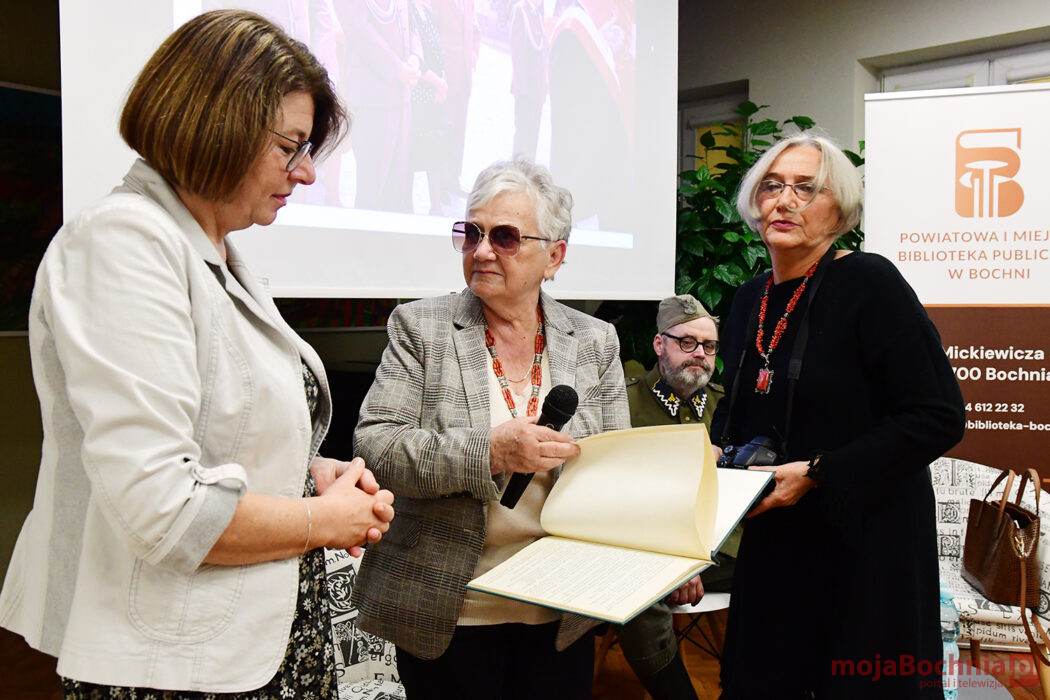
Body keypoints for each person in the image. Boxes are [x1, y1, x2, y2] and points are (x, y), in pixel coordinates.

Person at [0, 11, 395, 697]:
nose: (305, 173)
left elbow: (216, 435)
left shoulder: (215, 253)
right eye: (290, 147)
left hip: (248, 639)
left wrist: (306, 473)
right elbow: (164, 506)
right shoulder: (123, 244)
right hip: (173, 661)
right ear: (215, 125)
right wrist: (321, 520)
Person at [351, 158, 629, 699]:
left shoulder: (595, 342)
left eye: (504, 237)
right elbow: (378, 446)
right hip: (451, 614)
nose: (481, 251)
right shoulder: (420, 327)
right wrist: (491, 452)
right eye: (471, 232)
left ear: (555, 256)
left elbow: (614, 466)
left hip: (561, 610)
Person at [711, 132, 966, 699]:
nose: (785, 200)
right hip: (774, 538)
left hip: (866, 548)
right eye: (772, 186)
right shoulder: (749, 298)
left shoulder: (871, 284)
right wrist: (714, 448)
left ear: (841, 210)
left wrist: (819, 472)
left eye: (807, 188)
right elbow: (738, 401)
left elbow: (938, 416)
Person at [616, 294, 727, 699]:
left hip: (720, 546)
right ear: (659, 344)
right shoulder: (622, 402)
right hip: (647, 545)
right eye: (688, 342)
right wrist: (677, 561)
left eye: (709, 346)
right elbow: (616, 497)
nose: (700, 354)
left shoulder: (725, 405)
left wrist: (695, 558)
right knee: (636, 588)